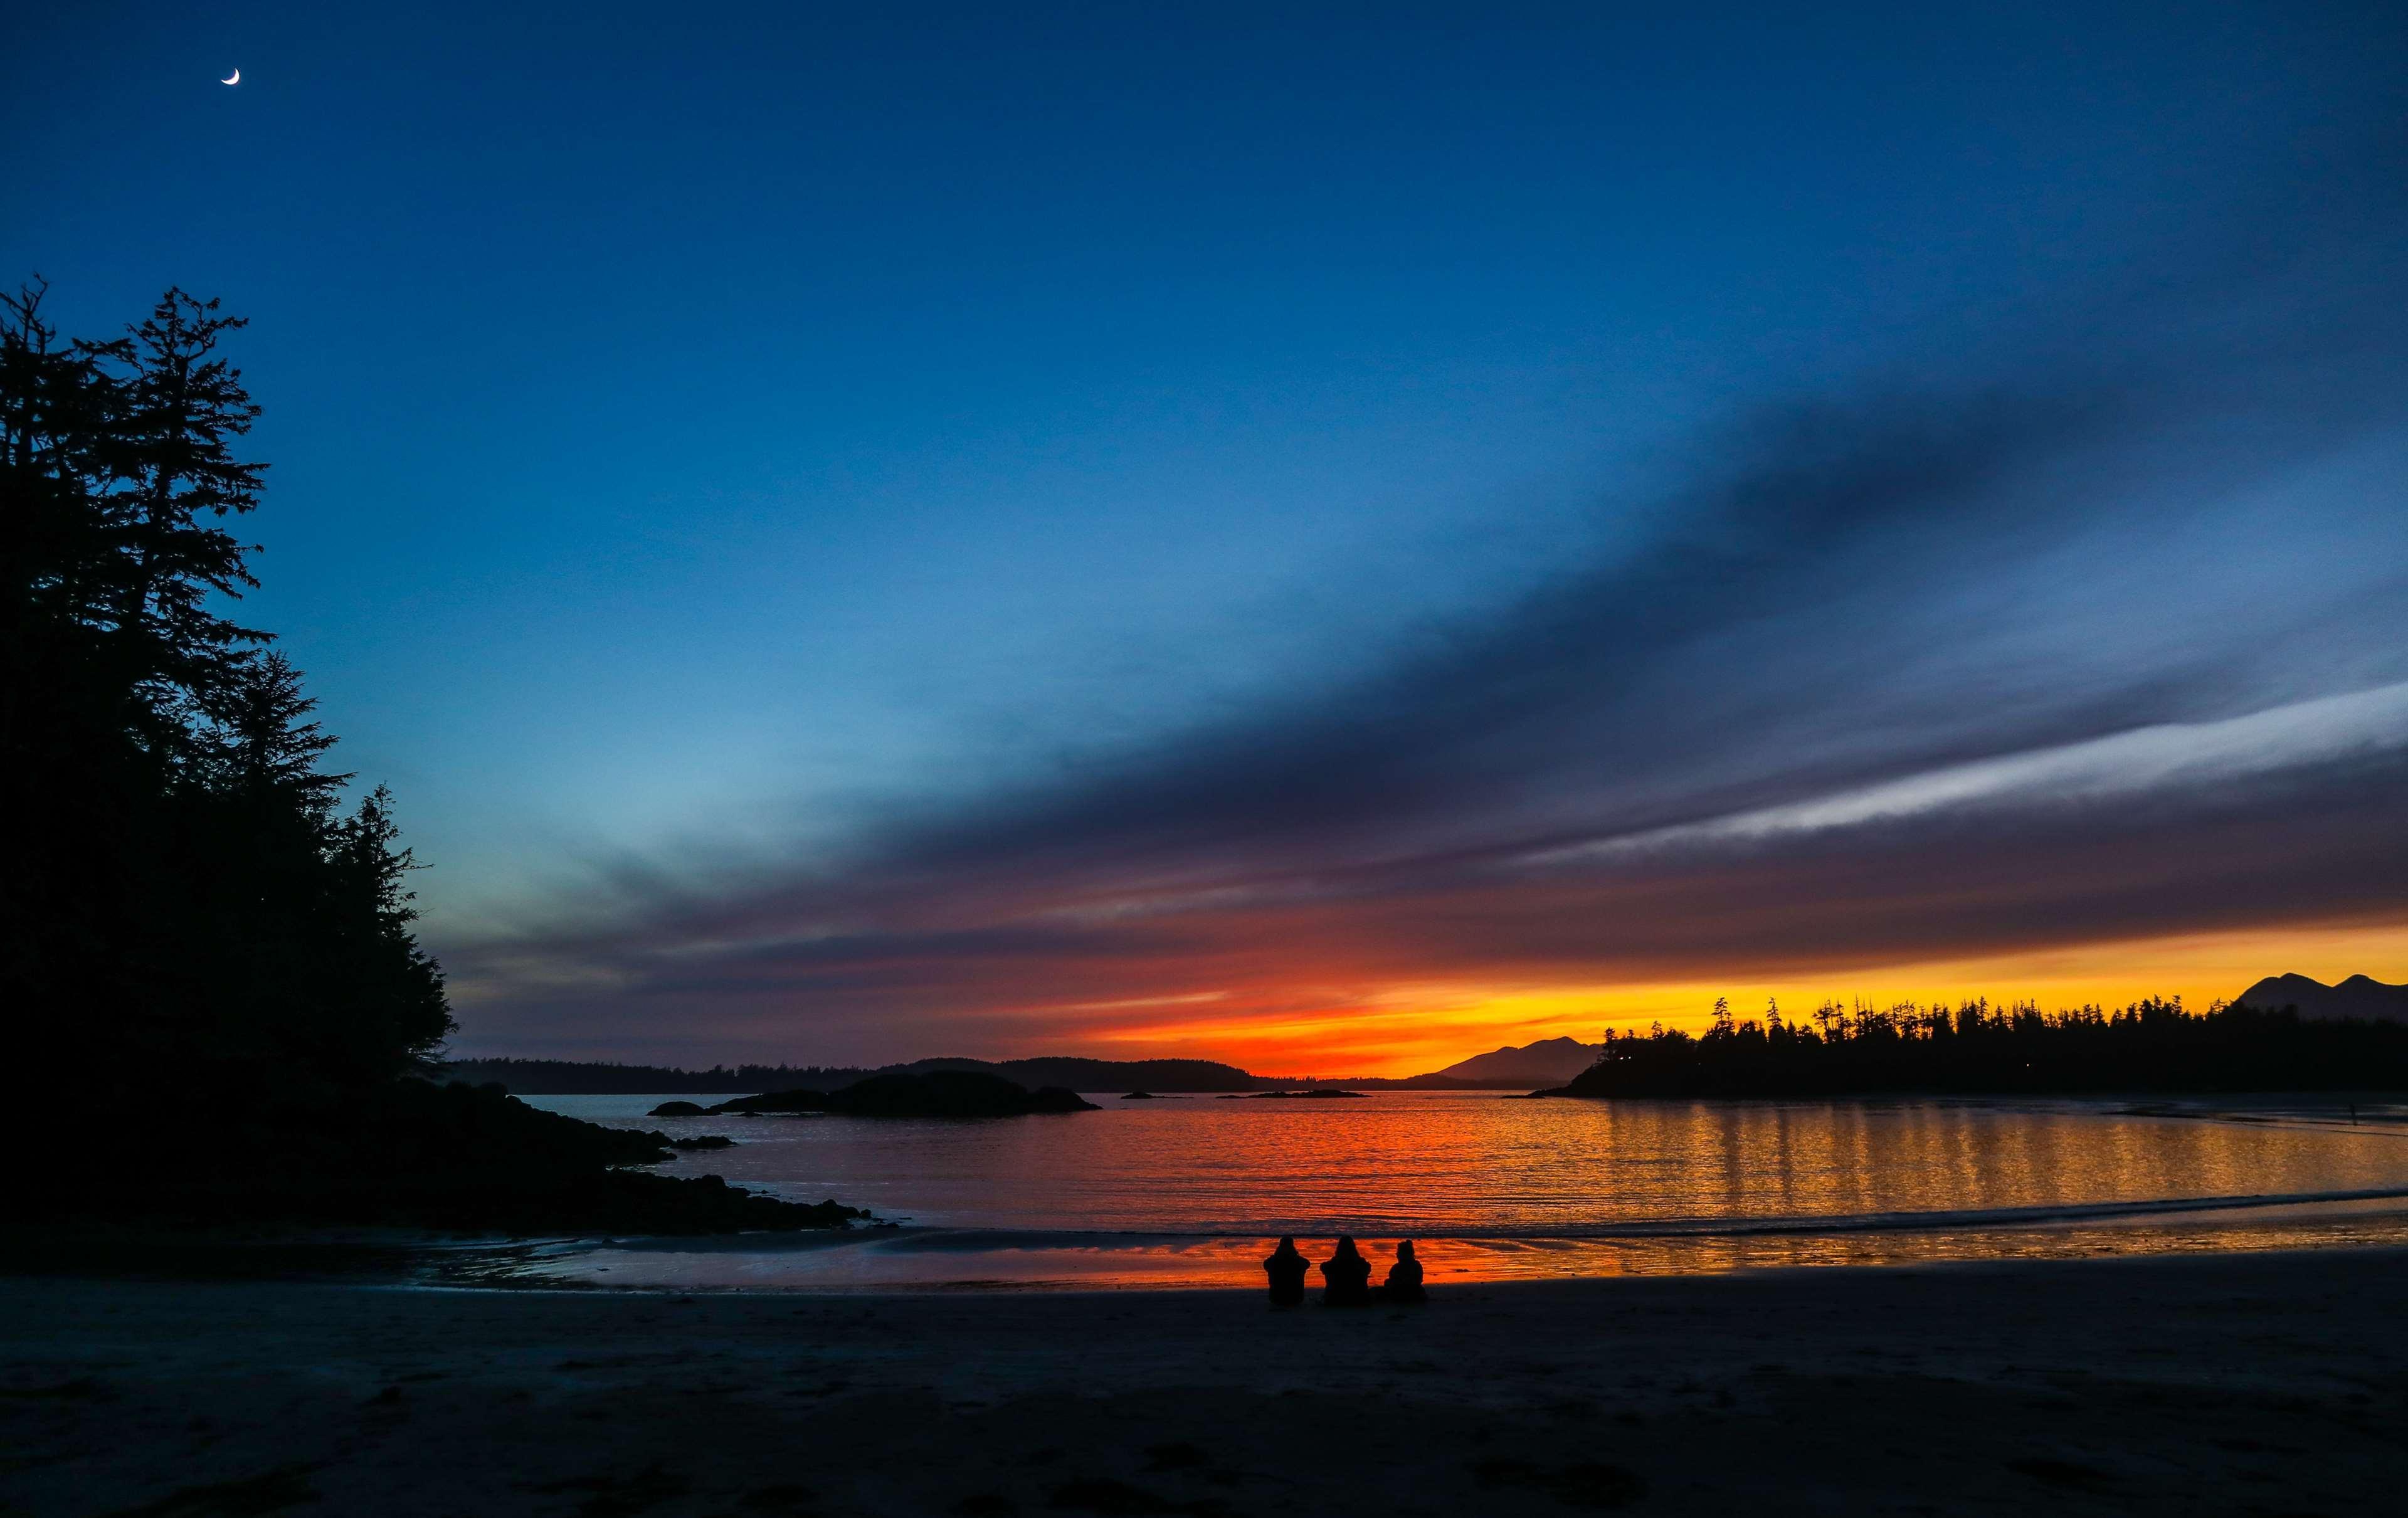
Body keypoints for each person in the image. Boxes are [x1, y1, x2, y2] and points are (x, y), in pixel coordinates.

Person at [1319, 1236, 1372, 1307]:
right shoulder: (1362, 1263)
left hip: (1335, 1300)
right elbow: (1368, 1268)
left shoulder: (1334, 1263)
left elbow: (1323, 1267)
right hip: (1359, 1300)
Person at [1376, 1239, 1426, 1304]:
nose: (1396, 1254)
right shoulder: (1417, 1265)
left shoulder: (1397, 1268)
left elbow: (1395, 1283)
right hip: (1416, 1293)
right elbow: (1419, 1280)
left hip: (1402, 1294)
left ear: (1404, 1254)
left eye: (1398, 1252)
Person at [1262, 1236, 1308, 1306]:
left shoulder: (1273, 1261)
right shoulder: (1299, 1261)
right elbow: (1307, 1264)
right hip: (1296, 1299)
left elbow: (1266, 1264)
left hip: (1276, 1299)